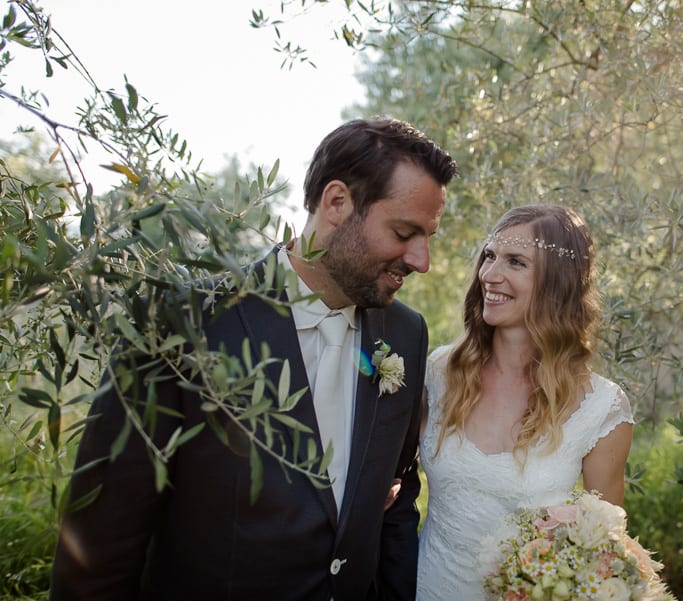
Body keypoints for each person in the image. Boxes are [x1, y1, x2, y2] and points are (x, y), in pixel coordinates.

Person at [50, 117, 457, 601]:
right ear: (337, 203)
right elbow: (101, 540)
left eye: (427, 236)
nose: (421, 260)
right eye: (404, 231)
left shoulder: (405, 334)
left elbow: (396, 501)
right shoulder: (184, 320)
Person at [415, 204, 635, 600]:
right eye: (489, 256)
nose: (489, 275)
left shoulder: (602, 411)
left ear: (558, 283)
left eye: (515, 262)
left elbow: (603, 552)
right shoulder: (439, 373)